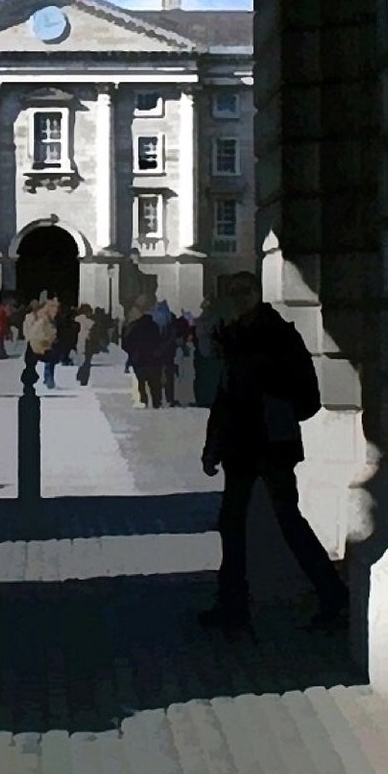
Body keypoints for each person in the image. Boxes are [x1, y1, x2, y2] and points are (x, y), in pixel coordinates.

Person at [199, 270, 348, 636]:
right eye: (233, 292)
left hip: (270, 444)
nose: (238, 298)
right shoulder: (232, 337)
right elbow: (222, 396)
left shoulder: (279, 336)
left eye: (244, 291)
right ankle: (232, 603)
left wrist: (272, 405)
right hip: (240, 446)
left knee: (287, 522)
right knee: (231, 524)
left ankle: (333, 596)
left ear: (257, 294)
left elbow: (307, 398)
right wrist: (212, 445)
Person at [121, 307, 168, 409]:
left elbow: (128, 342)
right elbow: (161, 341)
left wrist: (132, 355)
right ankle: (156, 401)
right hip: (154, 359)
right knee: (155, 383)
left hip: (140, 359)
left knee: (141, 382)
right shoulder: (155, 327)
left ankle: (144, 399)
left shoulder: (135, 327)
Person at [21, 297, 60, 391]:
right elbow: (27, 329)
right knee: (30, 364)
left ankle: (48, 379)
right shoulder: (29, 317)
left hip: (44, 343)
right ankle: (30, 382)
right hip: (33, 342)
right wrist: (29, 338)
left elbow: (49, 329)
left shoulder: (44, 317)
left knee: (49, 362)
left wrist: (50, 338)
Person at [152, 299, 180, 407]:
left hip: (158, 351)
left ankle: (159, 398)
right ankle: (170, 398)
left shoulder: (155, 318)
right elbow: (172, 336)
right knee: (169, 376)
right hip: (169, 352)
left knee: (158, 374)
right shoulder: (171, 318)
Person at [74, 303, 97, 386]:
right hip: (87, 342)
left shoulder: (76, 319)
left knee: (81, 359)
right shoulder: (90, 322)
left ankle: (80, 374)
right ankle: (83, 378)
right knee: (87, 361)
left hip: (77, 342)